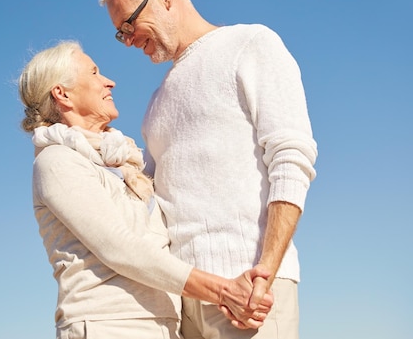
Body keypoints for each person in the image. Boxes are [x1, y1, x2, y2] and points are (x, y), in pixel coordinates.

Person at [100, 0, 318, 339]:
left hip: (249, 294)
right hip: (183, 303)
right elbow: (152, 200)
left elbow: (291, 157)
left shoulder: (250, 44)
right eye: (121, 34)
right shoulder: (155, 104)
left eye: (129, 25)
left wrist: (264, 273)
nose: (129, 41)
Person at [18, 40, 274, 339]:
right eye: (95, 73)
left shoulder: (125, 162)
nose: (109, 81)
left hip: (160, 326)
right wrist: (223, 290)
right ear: (62, 94)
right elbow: (120, 248)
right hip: (108, 326)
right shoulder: (56, 161)